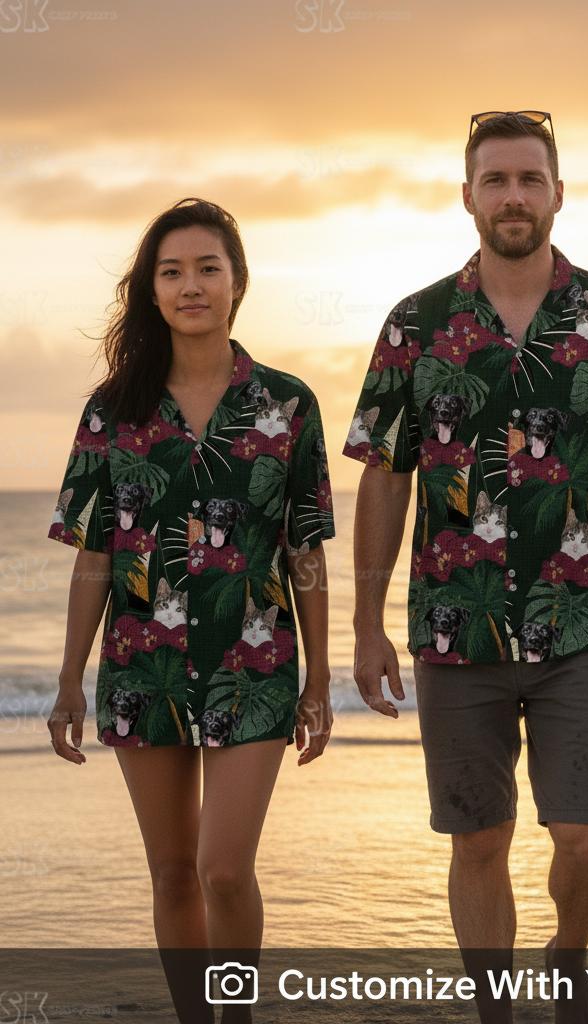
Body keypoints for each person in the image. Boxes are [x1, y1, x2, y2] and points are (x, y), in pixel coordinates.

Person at [343, 111, 588, 1022]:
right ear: (467, 197)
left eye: (530, 180)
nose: (513, 197)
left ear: (558, 194)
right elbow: (384, 476)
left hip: (584, 623)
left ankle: (566, 954)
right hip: (456, 626)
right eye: (495, 181)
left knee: (585, 838)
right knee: (479, 838)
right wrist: (365, 621)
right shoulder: (414, 323)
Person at [46, 198, 336, 1023]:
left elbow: (305, 550)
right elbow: (94, 555)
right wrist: (69, 680)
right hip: (144, 666)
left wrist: (318, 679)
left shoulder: (288, 405)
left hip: (256, 667)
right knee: (172, 872)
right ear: (151, 291)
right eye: (171, 272)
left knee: (222, 869)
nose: (191, 285)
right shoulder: (113, 411)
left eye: (208, 268)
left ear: (237, 283)